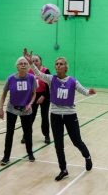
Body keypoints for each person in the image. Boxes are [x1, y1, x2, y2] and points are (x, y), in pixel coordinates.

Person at [24, 49, 96, 181]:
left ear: (66, 67)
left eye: (61, 64)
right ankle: (63, 169)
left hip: (70, 115)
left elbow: (84, 91)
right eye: (56, 64)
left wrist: (89, 92)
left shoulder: (73, 81)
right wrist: (31, 64)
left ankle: (87, 157)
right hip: (55, 115)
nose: (58, 66)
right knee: (58, 144)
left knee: (76, 141)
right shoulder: (51, 79)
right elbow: (39, 74)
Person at [0, 57, 36, 165]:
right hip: (12, 109)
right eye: (21, 63)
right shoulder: (11, 78)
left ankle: (30, 153)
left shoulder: (31, 78)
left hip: (26, 110)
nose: (23, 65)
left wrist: (30, 104)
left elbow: (34, 93)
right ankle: (6, 157)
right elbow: (4, 94)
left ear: (28, 66)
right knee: (9, 133)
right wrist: (0, 108)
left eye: (25, 63)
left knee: (28, 133)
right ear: (17, 66)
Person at [21, 54, 51, 145]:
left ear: (40, 61)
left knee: (44, 116)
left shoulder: (45, 70)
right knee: (31, 116)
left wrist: (44, 96)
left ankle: (46, 135)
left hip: (44, 96)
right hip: (33, 96)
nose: (34, 62)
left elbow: (49, 85)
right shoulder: (28, 71)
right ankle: (26, 135)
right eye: (33, 61)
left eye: (36, 60)